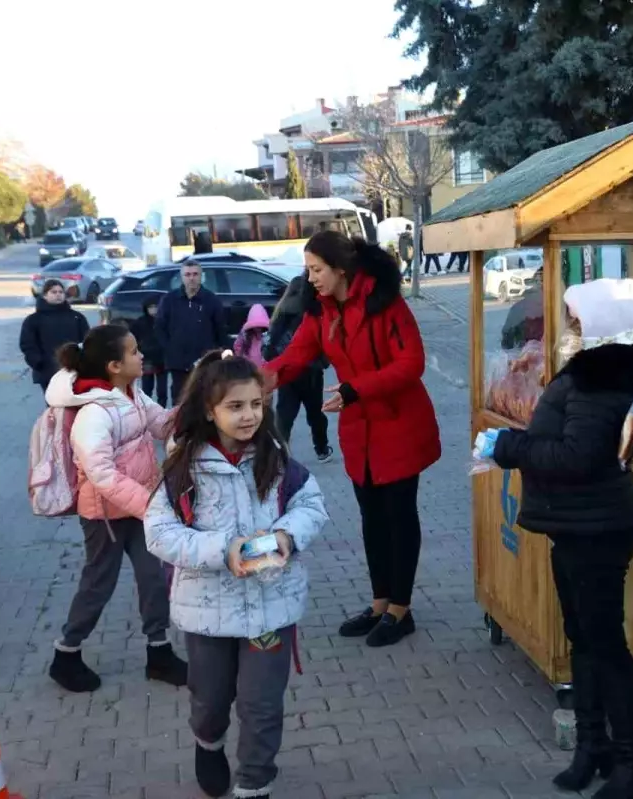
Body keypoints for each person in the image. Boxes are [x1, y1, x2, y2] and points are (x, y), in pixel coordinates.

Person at [484, 278, 633, 798]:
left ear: (591, 326)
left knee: (604, 642)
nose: (565, 326)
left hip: (597, 525)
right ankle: (592, 746)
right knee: (583, 637)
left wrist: (508, 446)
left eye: (572, 318)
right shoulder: (590, 373)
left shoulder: (600, 379)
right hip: (576, 523)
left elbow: (577, 457)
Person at [145, 351, 327, 799]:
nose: (249, 416)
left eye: (256, 404)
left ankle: (255, 782)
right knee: (209, 700)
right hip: (208, 611)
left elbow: (311, 505)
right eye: (235, 406)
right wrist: (221, 550)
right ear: (210, 410)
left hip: (270, 609)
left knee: (261, 704)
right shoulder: (184, 467)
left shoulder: (277, 457)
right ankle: (208, 743)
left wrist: (286, 536)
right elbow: (159, 533)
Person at [264, 231, 440, 647]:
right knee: (370, 517)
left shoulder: (384, 301)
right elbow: (297, 355)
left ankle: (401, 608)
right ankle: (380, 602)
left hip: (398, 423)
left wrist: (356, 389)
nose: (310, 279)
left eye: (317, 270)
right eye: (308, 271)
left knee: (399, 516)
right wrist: (258, 379)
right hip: (358, 427)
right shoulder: (321, 310)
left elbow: (411, 362)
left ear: (340, 269)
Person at [44, 324, 186, 693]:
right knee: (98, 585)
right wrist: (151, 506)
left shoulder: (131, 393)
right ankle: (66, 654)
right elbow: (102, 474)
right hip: (104, 517)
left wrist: (202, 398)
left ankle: (159, 652)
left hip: (140, 509)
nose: (141, 356)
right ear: (113, 365)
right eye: (134, 351)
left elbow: (162, 423)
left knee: (154, 578)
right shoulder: (94, 412)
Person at [265, 272, 332, 463]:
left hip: (286, 372)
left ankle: (280, 451)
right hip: (310, 372)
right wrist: (322, 362)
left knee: (285, 414)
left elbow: (270, 346)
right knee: (315, 413)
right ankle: (321, 448)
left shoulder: (281, 312)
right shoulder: (310, 312)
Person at [156, 260, 228, 403]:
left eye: (195, 274)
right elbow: (159, 327)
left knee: (203, 398)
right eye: (187, 274)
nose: (191, 278)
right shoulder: (169, 300)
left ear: (201, 276)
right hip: (177, 361)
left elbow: (220, 329)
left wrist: (218, 353)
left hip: (204, 362)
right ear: (182, 277)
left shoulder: (211, 300)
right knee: (180, 399)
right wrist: (170, 348)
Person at [20, 279, 90, 397]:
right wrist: (37, 362)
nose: (58, 295)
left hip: (74, 371)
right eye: (53, 292)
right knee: (54, 405)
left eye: (60, 292)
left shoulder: (77, 317)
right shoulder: (33, 320)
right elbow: (27, 344)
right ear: (45, 295)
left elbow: (87, 341)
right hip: (47, 371)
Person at [130, 298, 167, 407]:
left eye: (155, 307)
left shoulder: (163, 321)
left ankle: (162, 409)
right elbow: (132, 338)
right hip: (146, 359)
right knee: (147, 388)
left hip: (162, 358)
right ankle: (147, 409)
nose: (153, 310)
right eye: (151, 307)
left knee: (162, 390)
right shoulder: (140, 322)